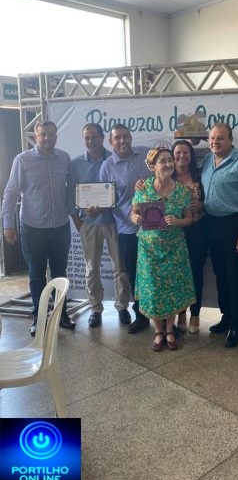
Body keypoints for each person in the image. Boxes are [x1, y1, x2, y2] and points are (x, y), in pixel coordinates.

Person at [1, 120, 75, 336]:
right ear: (36, 136)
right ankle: (39, 318)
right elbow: (11, 192)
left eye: (51, 134)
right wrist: (7, 224)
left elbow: (71, 190)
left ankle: (61, 314)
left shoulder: (64, 158)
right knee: (36, 276)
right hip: (33, 228)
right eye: (43, 134)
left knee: (60, 274)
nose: (47, 138)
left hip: (60, 226)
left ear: (56, 137)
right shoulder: (22, 160)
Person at [130, 148, 195, 351]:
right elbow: (133, 212)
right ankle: (158, 331)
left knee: (172, 289)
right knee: (154, 290)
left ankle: (170, 330)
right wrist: (136, 218)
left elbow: (190, 219)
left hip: (174, 249)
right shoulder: (143, 188)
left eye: (170, 160)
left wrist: (178, 221)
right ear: (153, 166)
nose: (168, 165)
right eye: (162, 161)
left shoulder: (183, 191)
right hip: (148, 250)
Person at [69, 123, 131, 328]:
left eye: (94, 137)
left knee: (120, 267)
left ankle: (122, 307)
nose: (90, 141)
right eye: (86, 138)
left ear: (103, 138)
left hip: (115, 222)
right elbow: (70, 195)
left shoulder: (114, 159)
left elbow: (121, 193)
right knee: (91, 269)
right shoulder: (76, 163)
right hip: (89, 224)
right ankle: (95, 309)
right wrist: (78, 222)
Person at [202, 122, 238, 348]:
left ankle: (237, 324)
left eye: (220, 138)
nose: (215, 141)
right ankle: (226, 317)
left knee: (234, 276)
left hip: (234, 223)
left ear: (231, 140)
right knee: (220, 274)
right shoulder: (207, 160)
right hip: (211, 223)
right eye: (212, 138)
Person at [99, 124, 152, 334]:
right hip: (128, 230)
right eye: (117, 138)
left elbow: (164, 175)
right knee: (135, 276)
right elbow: (106, 199)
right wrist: (94, 207)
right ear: (111, 142)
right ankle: (141, 316)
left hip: (155, 226)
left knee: (156, 272)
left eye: (125, 136)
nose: (122, 141)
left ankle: (164, 317)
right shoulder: (107, 167)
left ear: (131, 137)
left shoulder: (146, 154)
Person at [172, 140, 208, 334]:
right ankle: (180, 313)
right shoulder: (166, 177)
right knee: (178, 273)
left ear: (191, 156)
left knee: (195, 272)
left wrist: (202, 205)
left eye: (185, 152)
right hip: (175, 232)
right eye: (178, 152)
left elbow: (210, 199)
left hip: (198, 231)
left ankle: (195, 313)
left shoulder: (200, 176)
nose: (182, 156)